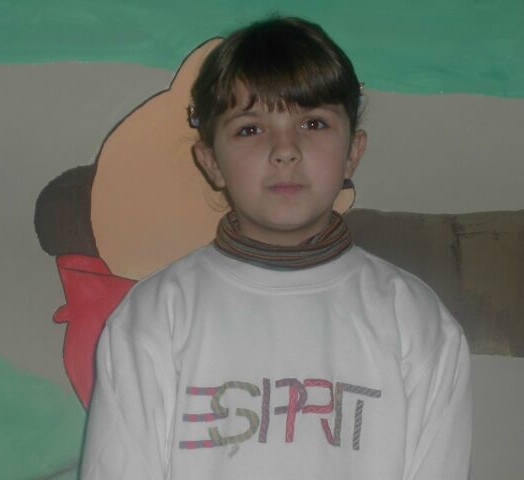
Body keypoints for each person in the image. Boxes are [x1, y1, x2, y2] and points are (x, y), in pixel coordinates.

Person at [80, 16, 471, 480]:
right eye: (250, 129)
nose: (285, 150)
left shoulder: (416, 321)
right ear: (211, 161)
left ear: (352, 152)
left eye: (313, 123)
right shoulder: (153, 317)